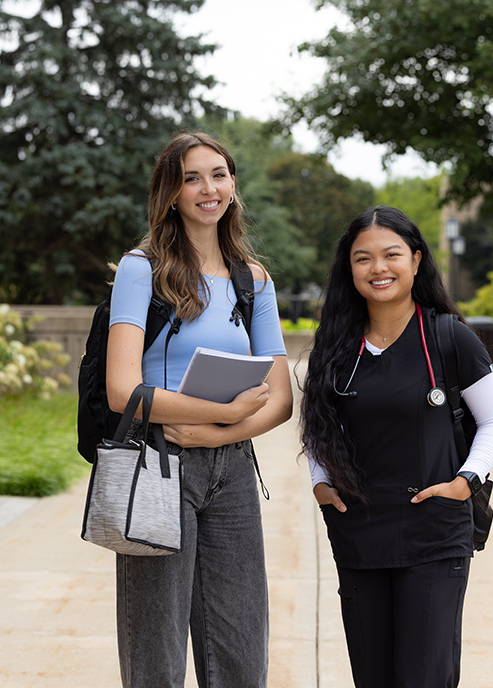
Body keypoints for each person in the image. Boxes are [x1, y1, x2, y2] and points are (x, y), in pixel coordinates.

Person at [105, 131, 293, 688]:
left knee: (240, 645)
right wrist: (218, 417)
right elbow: (122, 390)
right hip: (158, 464)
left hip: (232, 468)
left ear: (233, 185)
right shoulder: (143, 268)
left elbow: (280, 398)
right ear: (170, 192)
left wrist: (222, 426)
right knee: (156, 648)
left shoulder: (254, 280)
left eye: (219, 174)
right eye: (191, 177)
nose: (208, 188)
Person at [300, 206, 493, 688]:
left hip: (433, 534)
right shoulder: (335, 347)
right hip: (358, 532)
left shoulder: (449, 337)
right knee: (372, 677)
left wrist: (465, 482)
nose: (379, 268)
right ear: (347, 269)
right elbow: (318, 426)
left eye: (391, 254)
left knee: (424, 676)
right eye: (363, 258)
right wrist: (320, 483)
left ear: (416, 261)